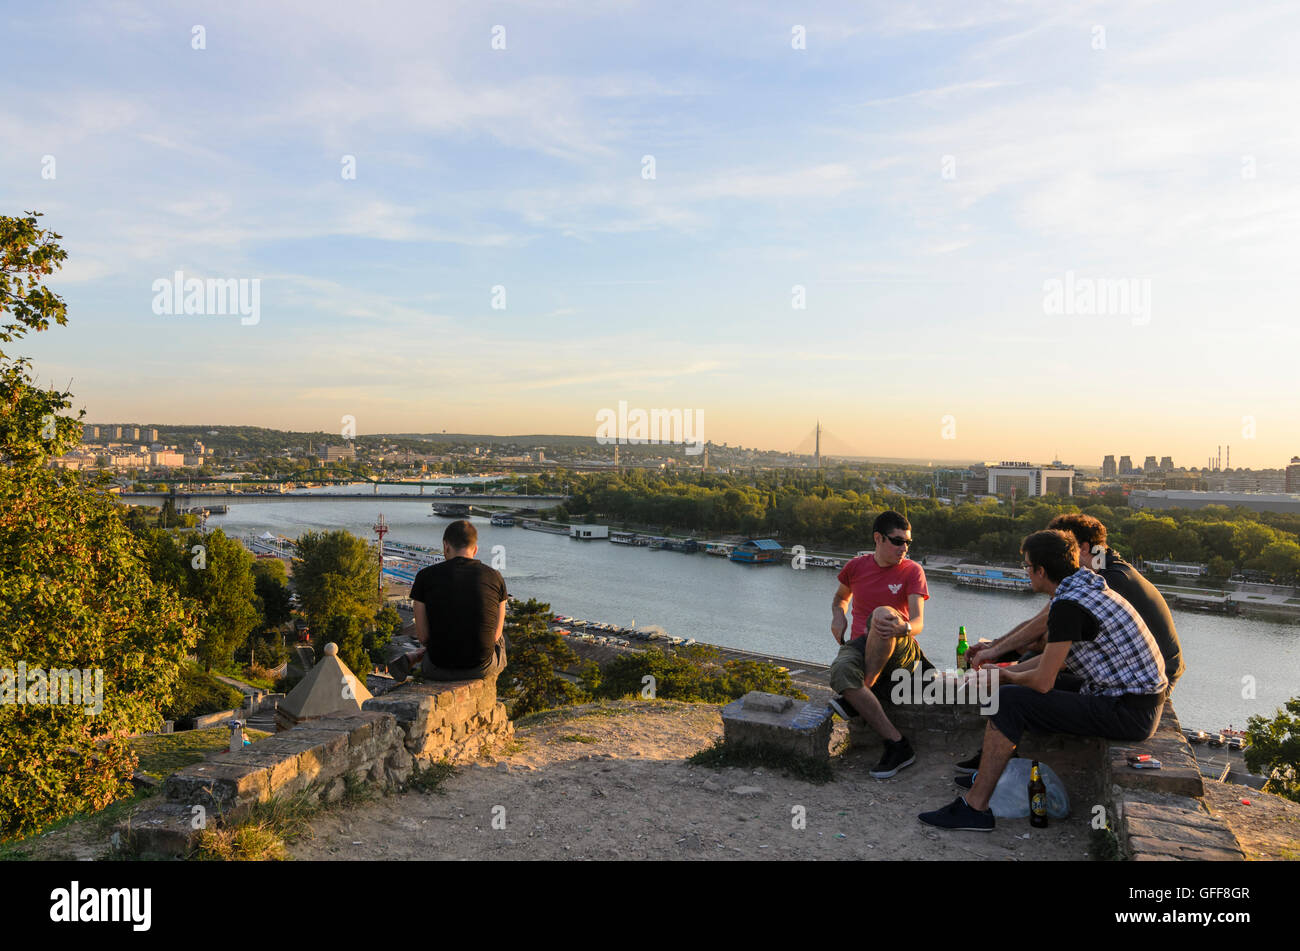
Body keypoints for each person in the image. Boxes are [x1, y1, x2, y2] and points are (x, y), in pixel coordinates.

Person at [918, 530, 1167, 831]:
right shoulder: (1084, 586)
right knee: (1011, 686)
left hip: (1129, 711)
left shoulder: (1068, 606)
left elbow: (1043, 682)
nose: (1026, 573)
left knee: (1010, 698)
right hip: (1129, 699)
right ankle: (999, 774)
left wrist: (1006, 674)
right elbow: (1050, 660)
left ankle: (975, 807)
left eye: (1026, 566)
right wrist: (1006, 670)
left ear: (1041, 571)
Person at [956, 513, 1184, 774]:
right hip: (1128, 685)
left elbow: (1049, 650)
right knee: (1028, 671)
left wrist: (1004, 668)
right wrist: (996, 650)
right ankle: (999, 758)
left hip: (1138, 696)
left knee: (1017, 692)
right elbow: (1044, 622)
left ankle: (985, 788)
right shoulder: (1092, 579)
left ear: (1082, 548)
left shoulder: (1107, 582)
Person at [827, 510, 932, 778]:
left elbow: (918, 622)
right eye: (897, 541)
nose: (904, 548)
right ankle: (898, 745)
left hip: (899, 645)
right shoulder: (856, 566)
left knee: (882, 614)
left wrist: (903, 627)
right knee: (839, 671)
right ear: (878, 538)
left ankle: (864, 688)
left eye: (908, 542)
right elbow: (841, 597)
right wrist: (838, 616)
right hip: (861, 645)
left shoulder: (912, 570)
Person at [387, 520, 508, 682]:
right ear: (475, 549)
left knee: (441, 634)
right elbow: (495, 636)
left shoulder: (424, 576)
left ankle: (416, 655)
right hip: (480, 669)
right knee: (498, 636)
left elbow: (423, 637)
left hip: (437, 668)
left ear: (446, 546)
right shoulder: (495, 576)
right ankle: (418, 655)